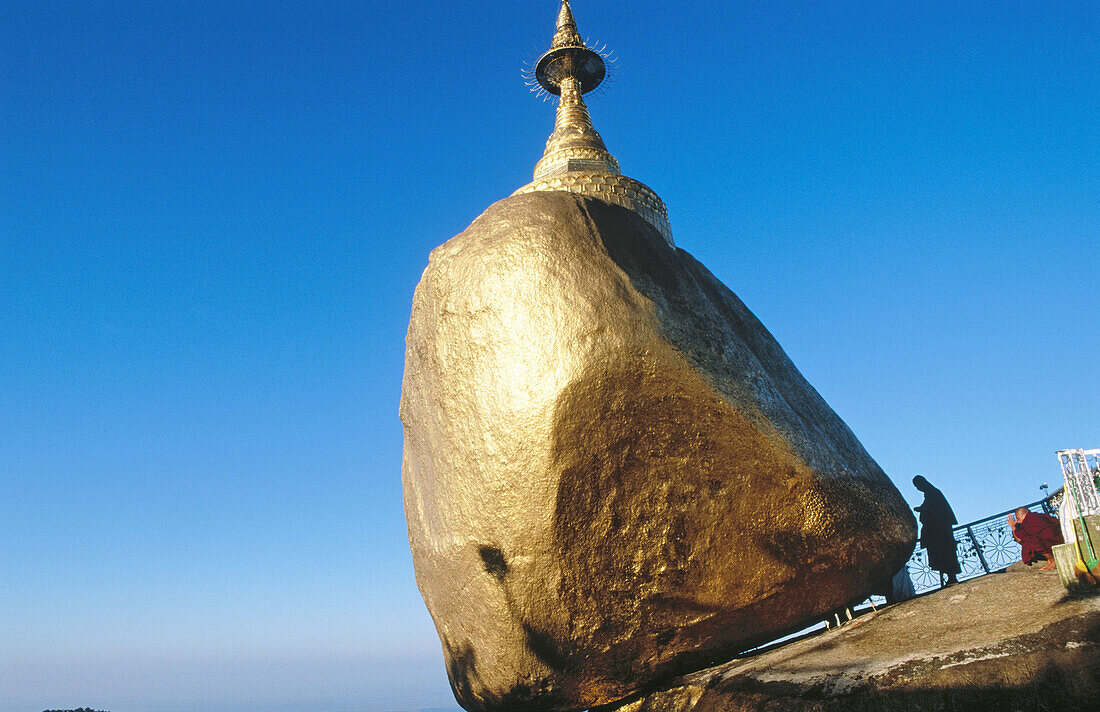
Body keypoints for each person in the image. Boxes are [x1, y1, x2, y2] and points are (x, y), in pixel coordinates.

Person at [913, 475, 960, 586]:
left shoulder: (932, 493)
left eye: (917, 486)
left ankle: (951, 577)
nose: (917, 488)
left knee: (944, 553)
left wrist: (922, 509)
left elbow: (934, 510)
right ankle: (949, 577)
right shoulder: (931, 493)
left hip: (940, 532)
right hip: (939, 531)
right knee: (942, 554)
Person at [1008, 507, 1064, 571]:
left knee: (1031, 541)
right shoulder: (1040, 515)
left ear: (1024, 515)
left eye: (1018, 519)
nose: (1019, 522)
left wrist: (1013, 527)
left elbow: (1020, 540)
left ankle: (1053, 560)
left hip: (1049, 540)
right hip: (1060, 537)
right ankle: (1050, 561)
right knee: (1034, 538)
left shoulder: (1028, 521)